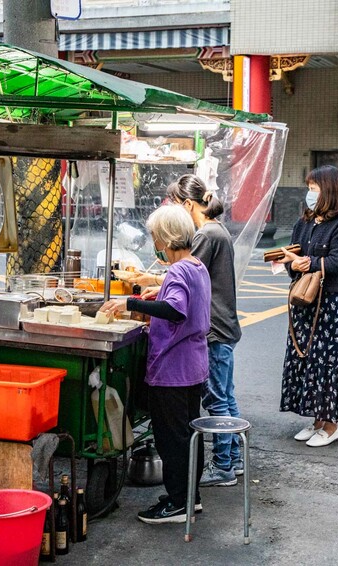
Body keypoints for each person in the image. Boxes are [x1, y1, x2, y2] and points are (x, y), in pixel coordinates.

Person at [100, 204, 210, 524]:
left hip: (173, 369)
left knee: (170, 438)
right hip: (193, 367)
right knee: (189, 434)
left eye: (154, 236)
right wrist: (159, 289)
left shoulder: (178, 270)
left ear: (165, 237)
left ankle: (177, 504)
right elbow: (185, 300)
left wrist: (129, 302)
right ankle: (190, 497)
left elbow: (176, 310)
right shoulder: (196, 266)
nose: (153, 242)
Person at [166, 174, 243, 487]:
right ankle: (234, 458)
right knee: (227, 396)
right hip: (225, 326)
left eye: (174, 205)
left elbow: (186, 276)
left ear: (187, 204)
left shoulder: (206, 235)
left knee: (216, 400)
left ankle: (222, 466)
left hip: (213, 329)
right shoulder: (216, 230)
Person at [277, 165, 338, 447]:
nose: (309, 194)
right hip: (304, 302)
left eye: (314, 188)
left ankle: (332, 425)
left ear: (329, 191)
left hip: (328, 305)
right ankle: (316, 421)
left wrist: (308, 263)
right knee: (306, 360)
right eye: (309, 188)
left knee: (327, 363)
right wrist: (289, 261)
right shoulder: (305, 222)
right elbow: (294, 253)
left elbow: (336, 262)